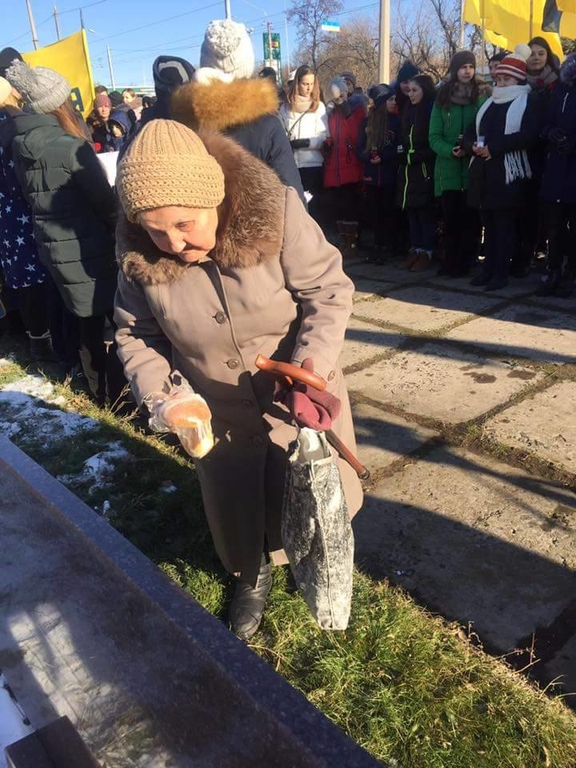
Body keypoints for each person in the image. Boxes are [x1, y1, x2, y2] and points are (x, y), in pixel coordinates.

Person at [113, 119, 363, 641]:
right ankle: (250, 573)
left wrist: (312, 367)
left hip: (295, 397)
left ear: (216, 197)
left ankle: (319, 560)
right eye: (155, 230)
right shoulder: (139, 258)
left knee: (314, 501)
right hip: (218, 415)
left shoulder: (279, 213)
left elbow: (328, 290)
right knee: (236, 506)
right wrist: (167, 398)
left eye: (185, 224)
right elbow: (135, 335)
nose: (172, 242)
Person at [5, 60, 126, 404]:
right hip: (89, 245)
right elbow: (103, 202)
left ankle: (94, 386)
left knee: (83, 319)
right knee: (115, 319)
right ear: (60, 104)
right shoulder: (72, 147)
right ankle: (116, 394)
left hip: (54, 244)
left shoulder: (21, 146)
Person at [170, 19, 304, 201]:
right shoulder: (267, 126)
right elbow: (292, 198)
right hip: (260, 218)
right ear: (246, 65)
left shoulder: (179, 127)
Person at [464, 46, 540, 290]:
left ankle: (500, 272)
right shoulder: (489, 103)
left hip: (508, 173)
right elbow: (470, 131)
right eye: (499, 79)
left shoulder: (527, 101)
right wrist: (472, 145)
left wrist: (494, 149)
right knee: (489, 225)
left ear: (518, 79)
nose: (501, 83)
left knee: (505, 226)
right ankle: (487, 269)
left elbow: (528, 135)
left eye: (507, 79)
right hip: (484, 173)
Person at [0, 75, 51, 360]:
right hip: (21, 208)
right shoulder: (14, 128)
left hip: (6, 214)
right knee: (35, 276)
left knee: (19, 275)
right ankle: (41, 341)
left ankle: (28, 333)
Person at [429, 51, 491, 277]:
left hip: (473, 167)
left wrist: (473, 147)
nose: (467, 71)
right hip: (448, 170)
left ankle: (468, 261)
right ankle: (451, 261)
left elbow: (486, 128)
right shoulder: (442, 97)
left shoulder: (482, 95)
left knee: (472, 220)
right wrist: (449, 150)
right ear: (455, 69)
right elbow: (433, 135)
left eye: (471, 67)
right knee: (452, 220)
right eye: (463, 67)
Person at [538, 52, 576, 297]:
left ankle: (571, 273)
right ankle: (553, 270)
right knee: (555, 226)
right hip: (556, 167)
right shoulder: (561, 90)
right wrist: (550, 132)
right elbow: (545, 122)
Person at [396, 74, 437, 271]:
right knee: (411, 212)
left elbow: (431, 142)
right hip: (407, 171)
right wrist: (401, 153)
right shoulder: (408, 110)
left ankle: (426, 252)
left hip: (423, 169)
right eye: (409, 90)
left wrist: (413, 156)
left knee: (424, 213)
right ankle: (415, 248)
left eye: (415, 90)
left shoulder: (430, 110)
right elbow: (403, 138)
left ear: (424, 90)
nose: (410, 94)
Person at [279, 64, 328, 224]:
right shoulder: (285, 108)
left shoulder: (318, 107)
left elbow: (324, 136)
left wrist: (307, 142)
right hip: (291, 164)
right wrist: (287, 143)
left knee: (313, 209)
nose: (308, 88)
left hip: (313, 164)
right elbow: (279, 132)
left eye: (311, 84)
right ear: (297, 83)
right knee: (294, 209)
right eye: (305, 84)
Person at [322, 76, 366, 251]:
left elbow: (357, 136)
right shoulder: (330, 112)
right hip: (334, 165)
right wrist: (326, 144)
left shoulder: (356, 109)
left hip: (350, 163)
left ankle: (352, 241)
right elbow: (327, 134)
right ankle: (343, 239)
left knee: (350, 204)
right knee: (337, 205)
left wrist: (347, 111)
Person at [357, 84, 400, 262]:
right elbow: (359, 148)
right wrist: (369, 157)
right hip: (372, 176)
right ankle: (377, 244)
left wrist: (384, 156)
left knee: (388, 210)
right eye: (390, 99)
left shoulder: (396, 121)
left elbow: (399, 147)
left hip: (389, 174)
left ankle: (388, 244)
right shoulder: (367, 122)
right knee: (374, 212)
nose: (394, 102)